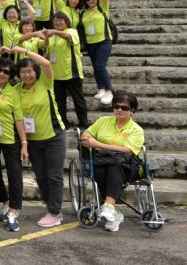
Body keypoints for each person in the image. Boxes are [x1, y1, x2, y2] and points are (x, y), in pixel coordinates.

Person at [13, 45, 66, 227]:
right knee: (41, 176)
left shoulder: (45, 82)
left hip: (53, 136)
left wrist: (24, 51)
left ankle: (55, 212)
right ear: (18, 75)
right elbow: (18, 117)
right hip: (33, 140)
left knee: (54, 176)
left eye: (30, 71)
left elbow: (45, 63)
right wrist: (24, 143)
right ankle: (51, 207)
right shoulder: (16, 90)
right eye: (23, 72)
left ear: (36, 72)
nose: (27, 75)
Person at [81, 90, 145, 232]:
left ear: (132, 111)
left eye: (125, 108)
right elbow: (86, 134)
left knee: (114, 164)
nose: (119, 110)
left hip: (127, 165)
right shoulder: (103, 121)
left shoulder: (137, 130)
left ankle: (109, 205)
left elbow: (127, 150)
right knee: (99, 168)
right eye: (117, 106)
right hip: (101, 162)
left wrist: (97, 144)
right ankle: (112, 211)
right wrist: (86, 138)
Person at [0, 54, 28, 232]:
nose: (1, 74)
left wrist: (24, 143)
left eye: (6, 72)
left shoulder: (13, 92)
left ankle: (13, 211)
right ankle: (5, 202)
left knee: (15, 174)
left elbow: (18, 119)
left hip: (10, 139)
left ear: (11, 76)